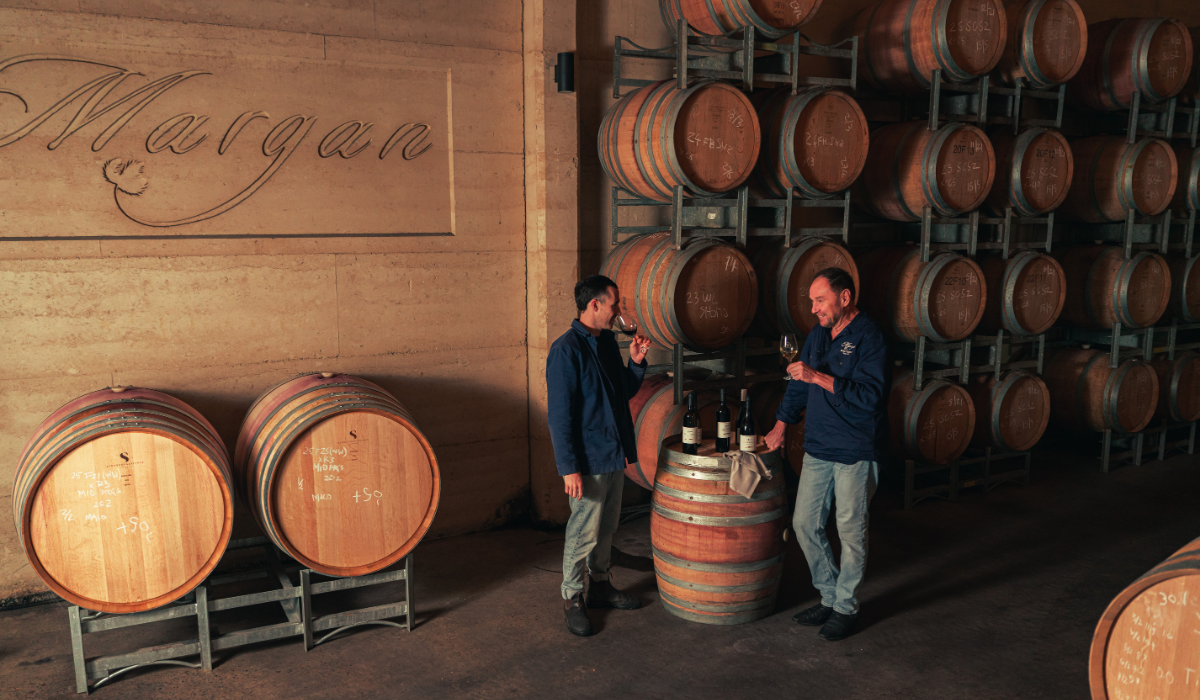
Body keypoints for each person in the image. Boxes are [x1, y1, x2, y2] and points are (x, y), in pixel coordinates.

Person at [764, 267, 890, 642]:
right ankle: (831, 595)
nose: (814, 308)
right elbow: (798, 387)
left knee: (851, 532)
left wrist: (817, 376)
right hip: (818, 447)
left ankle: (846, 607)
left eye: (820, 300)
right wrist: (781, 425)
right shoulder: (818, 334)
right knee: (804, 524)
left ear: (845, 297)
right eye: (812, 301)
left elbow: (870, 398)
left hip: (856, 449)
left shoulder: (871, 337)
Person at [546, 274, 652, 637]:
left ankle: (602, 585)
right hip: (587, 460)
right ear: (595, 305)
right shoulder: (566, 351)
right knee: (582, 531)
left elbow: (623, 392)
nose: (619, 311)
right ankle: (573, 595)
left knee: (606, 527)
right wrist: (568, 469)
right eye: (615, 304)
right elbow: (559, 417)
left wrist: (636, 362)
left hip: (612, 452)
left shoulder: (606, 342)